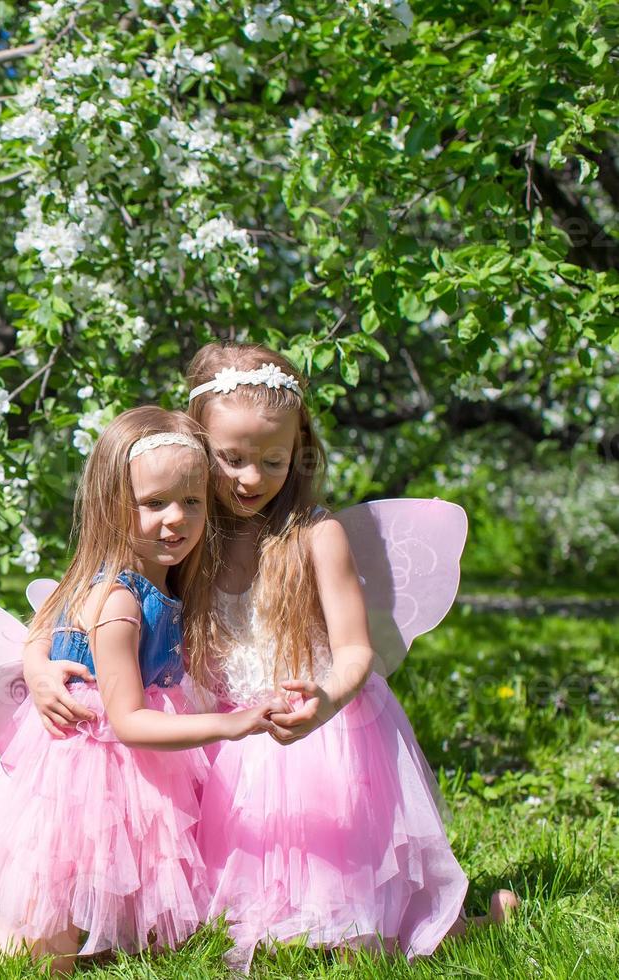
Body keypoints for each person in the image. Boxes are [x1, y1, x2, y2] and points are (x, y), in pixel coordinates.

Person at [0, 406, 279, 974]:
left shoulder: (153, 579)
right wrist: (232, 724)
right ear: (112, 506)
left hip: (137, 776)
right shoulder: (119, 600)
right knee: (48, 963)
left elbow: (41, 628)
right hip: (84, 784)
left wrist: (37, 661)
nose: (177, 520)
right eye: (154, 503)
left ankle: (105, 924)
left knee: (144, 941)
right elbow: (129, 722)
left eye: (192, 502)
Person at [182, 341, 518, 970]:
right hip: (228, 736)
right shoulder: (186, 534)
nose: (251, 478)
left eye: (273, 460)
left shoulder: (315, 533)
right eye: (230, 459)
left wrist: (326, 701)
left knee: (360, 929)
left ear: (298, 452)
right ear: (196, 446)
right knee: (232, 918)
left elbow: (356, 649)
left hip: (322, 733)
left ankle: (469, 920)